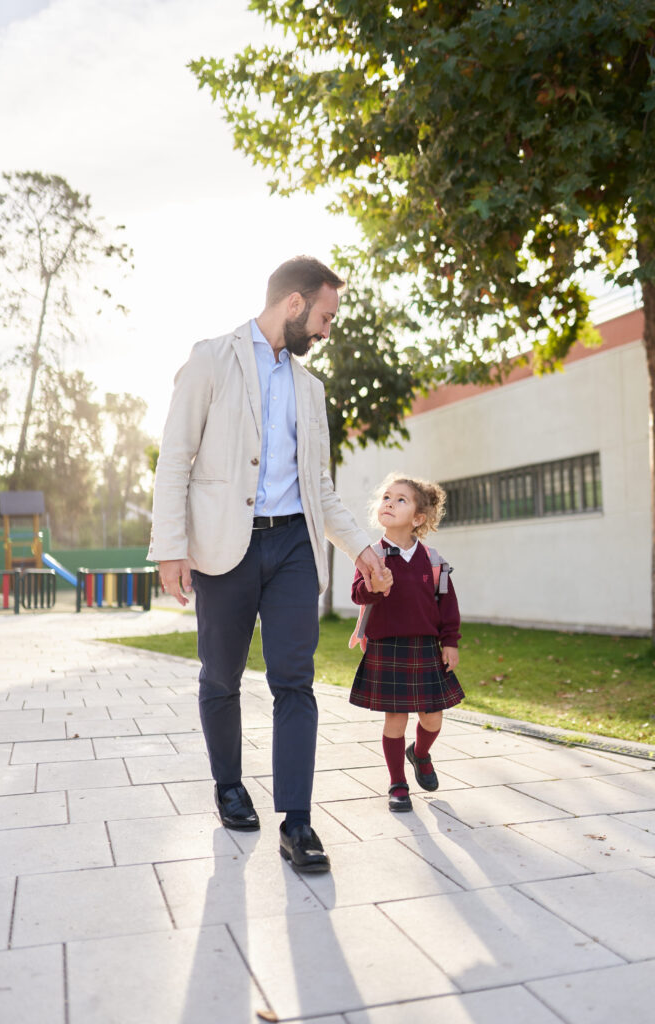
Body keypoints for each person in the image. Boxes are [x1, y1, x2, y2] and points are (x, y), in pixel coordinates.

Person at [148, 256, 383, 873]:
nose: (328, 331)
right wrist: (170, 545)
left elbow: (322, 488)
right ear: (296, 304)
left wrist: (362, 546)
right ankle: (229, 785)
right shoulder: (211, 360)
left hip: (293, 549)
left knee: (293, 680)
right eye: (326, 316)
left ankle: (298, 821)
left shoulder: (312, 390)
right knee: (221, 676)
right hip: (227, 544)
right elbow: (175, 459)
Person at [349, 473, 465, 812]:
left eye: (401, 499)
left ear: (418, 518)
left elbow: (447, 603)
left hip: (426, 649)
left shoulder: (433, 560)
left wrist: (451, 641)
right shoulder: (370, 555)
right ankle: (397, 783)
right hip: (389, 648)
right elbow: (358, 594)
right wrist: (376, 584)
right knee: (395, 720)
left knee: (433, 718)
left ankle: (421, 753)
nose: (389, 502)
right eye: (386, 496)